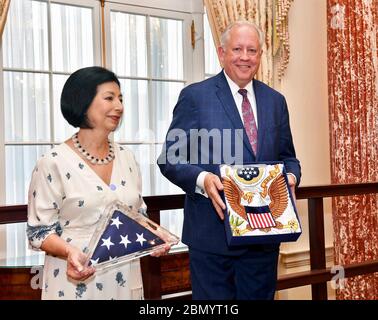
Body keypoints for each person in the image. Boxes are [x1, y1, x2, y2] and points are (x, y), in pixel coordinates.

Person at [158, 21, 301, 300]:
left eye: (252, 50)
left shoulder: (276, 101)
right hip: (212, 240)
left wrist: (291, 178)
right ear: (222, 52)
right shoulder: (195, 96)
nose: (244, 57)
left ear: (260, 55)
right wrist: (203, 179)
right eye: (237, 49)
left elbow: (288, 158)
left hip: (263, 239)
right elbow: (171, 158)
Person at [27, 66, 169, 300]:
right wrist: (70, 251)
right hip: (74, 277)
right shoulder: (53, 163)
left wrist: (155, 238)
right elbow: (39, 232)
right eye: (109, 98)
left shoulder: (128, 158)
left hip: (124, 275)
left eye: (121, 99)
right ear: (83, 102)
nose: (119, 107)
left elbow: (137, 216)